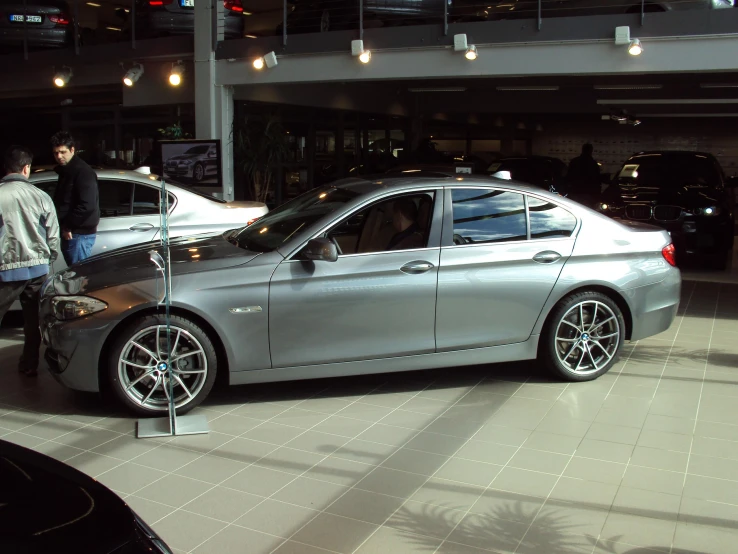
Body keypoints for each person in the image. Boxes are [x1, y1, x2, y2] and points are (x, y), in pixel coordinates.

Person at [0, 146, 60, 377]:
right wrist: (48, 257)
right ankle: (29, 364)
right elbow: (52, 234)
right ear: (27, 168)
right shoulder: (41, 196)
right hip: (37, 269)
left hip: (6, 271)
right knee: (33, 321)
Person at [50, 131, 100, 266]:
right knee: (76, 276)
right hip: (75, 233)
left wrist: (68, 226)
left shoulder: (82, 172)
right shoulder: (68, 170)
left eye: (62, 152)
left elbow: (86, 205)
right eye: (56, 153)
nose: (59, 156)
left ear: (72, 150)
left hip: (78, 234)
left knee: (78, 277)